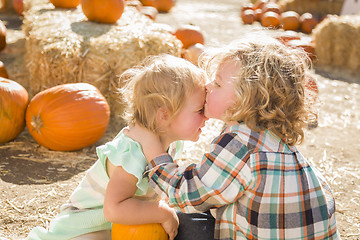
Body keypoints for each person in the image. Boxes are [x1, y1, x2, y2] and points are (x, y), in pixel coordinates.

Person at [126, 34, 340, 239]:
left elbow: (187, 194)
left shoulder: (240, 144)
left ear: (248, 100)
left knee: (185, 222)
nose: (208, 87)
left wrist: (153, 150)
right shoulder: (275, 140)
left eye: (217, 84)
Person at [28, 54, 214, 240]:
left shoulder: (173, 143)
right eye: (200, 110)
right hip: (86, 227)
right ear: (164, 115)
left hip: (118, 226)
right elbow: (113, 209)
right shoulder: (131, 153)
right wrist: (163, 213)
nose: (207, 116)